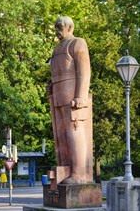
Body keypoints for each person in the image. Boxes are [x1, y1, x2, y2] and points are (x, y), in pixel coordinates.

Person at [47, 16, 91, 184]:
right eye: (56, 26)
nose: (57, 30)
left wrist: (81, 95)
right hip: (58, 97)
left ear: (69, 28)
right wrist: (51, 89)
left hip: (73, 96)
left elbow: (84, 72)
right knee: (62, 135)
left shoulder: (77, 43)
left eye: (60, 27)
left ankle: (79, 174)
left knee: (75, 131)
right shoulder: (56, 48)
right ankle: (66, 170)